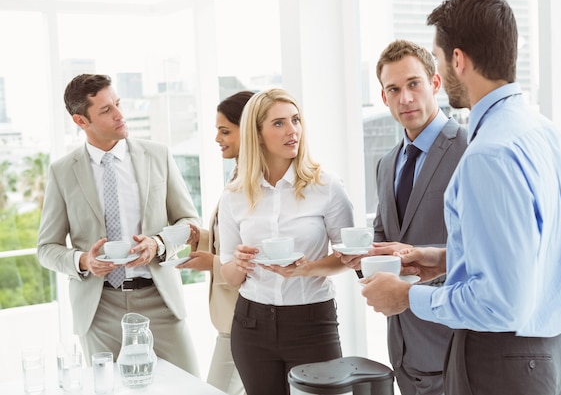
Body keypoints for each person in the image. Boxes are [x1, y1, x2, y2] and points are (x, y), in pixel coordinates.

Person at [362, 0, 561, 395]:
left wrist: (407, 298)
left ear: (457, 60)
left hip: (499, 359)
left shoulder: (487, 154)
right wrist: (445, 259)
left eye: (436, 59)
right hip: (548, 353)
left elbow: (499, 302)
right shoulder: (552, 136)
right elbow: (531, 257)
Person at [37, 74, 200, 376]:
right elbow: (46, 248)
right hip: (100, 308)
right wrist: (83, 260)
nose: (120, 115)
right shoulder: (62, 172)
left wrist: (159, 243)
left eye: (118, 104)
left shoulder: (158, 155)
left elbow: (190, 222)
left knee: (190, 385)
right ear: (80, 120)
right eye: (106, 110)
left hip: (159, 299)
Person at [337, 39, 466, 395]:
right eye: (393, 89)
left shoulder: (470, 149)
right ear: (384, 97)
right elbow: (384, 238)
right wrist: (362, 260)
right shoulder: (387, 163)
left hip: (457, 345)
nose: (405, 98)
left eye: (414, 84)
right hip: (404, 347)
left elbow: (484, 250)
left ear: (435, 84)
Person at [218, 88, 354, 395]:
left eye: (295, 120)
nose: (292, 130)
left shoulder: (327, 187)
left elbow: (348, 256)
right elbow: (228, 273)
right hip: (251, 324)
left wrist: (308, 268)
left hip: (312, 323)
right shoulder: (234, 196)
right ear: (257, 134)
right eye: (279, 123)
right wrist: (238, 263)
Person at [179, 91, 254, 395]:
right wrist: (203, 238)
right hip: (233, 317)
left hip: (244, 315)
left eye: (225, 131)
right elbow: (233, 238)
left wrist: (211, 262)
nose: (217, 139)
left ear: (248, 130)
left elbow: (253, 254)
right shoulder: (240, 173)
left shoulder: (254, 182)